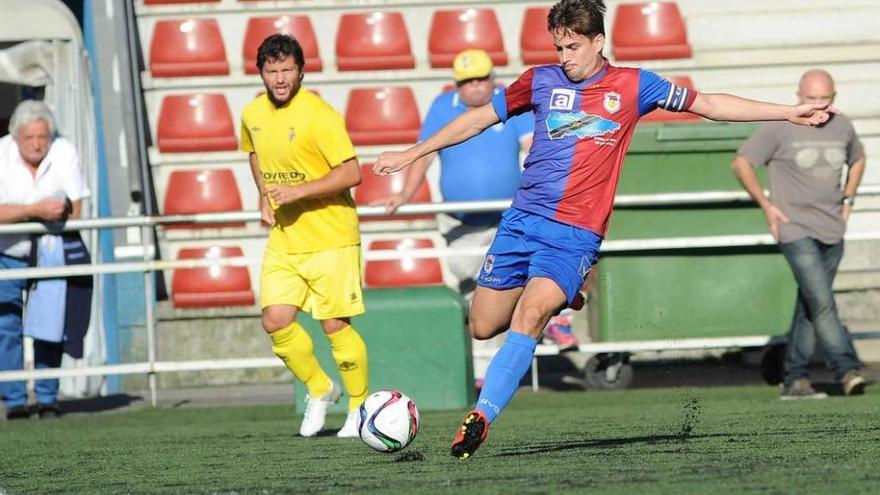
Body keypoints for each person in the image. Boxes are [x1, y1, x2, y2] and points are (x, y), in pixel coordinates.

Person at [374, 0, 834, 459]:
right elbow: (478, 118)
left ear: (598, 42)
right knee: (482, 325)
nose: (564, 57)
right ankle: (565, 294)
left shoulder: (634, 85)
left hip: (574, 233)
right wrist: (413, 153)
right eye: (558, 47)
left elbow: (709, 104)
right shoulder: (538, 81)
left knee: (529, 316)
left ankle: (482, 416)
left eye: (573, 46)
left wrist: (786, 112)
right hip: (521, 224)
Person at [375, 48, 534, 382]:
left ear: (493, 78)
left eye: (481, 79)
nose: (474, 87)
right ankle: (475, 369)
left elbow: (533, 145)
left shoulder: (509, 102)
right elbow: (426, 153)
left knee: (508, 292)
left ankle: (502, 371)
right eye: (466, 81)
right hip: (458, 223)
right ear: (456, 84)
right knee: (469, 295)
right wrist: (404, 193)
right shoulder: (442, 107)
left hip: (506, 221)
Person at [241, 34, 369, 438]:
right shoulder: (251, 113)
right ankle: (320, 389)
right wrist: (264, 196)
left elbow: (352, 173)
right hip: (286, 236)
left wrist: (298, 190)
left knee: (334, 326)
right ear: (261, 72)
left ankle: (360, 407)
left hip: (331, 234)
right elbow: (254, 153)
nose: (280, 79)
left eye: (287, 70)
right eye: (272, 70)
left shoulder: (320, 115)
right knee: (275, 321)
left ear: (301, 71)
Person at [731, 69, 868, 400]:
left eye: (825, 99)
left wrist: (848, 198)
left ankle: (794, 379)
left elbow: (859, 158)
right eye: (811, 99)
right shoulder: (781, 125)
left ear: (833, 98)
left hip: (832, 227)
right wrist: (767, 205)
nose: (819, 106)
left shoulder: (842, 124)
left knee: (810, 303)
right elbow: (741, 163)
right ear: (799, 96)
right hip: (795, 228)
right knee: (821, 301)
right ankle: (846, 369)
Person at [0, 100, 90, 420]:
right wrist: (34, 211)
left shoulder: (64, 151)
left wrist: (54, 212)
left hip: (51, 252)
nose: (38, 144)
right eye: (30, 138)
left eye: (43, 136)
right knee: (6, 324)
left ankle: (48, 398)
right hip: (8, 253)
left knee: (49, 324)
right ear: (15, 137)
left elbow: (77, 208)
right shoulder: (1, 154)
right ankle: (14, 400)